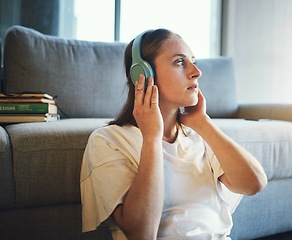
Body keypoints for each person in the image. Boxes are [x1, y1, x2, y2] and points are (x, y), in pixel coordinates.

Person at [80, 28, 267, 240]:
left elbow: (254, 183)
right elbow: (142, 234)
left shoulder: (199, 136)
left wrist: (202, 122)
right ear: (142, 74)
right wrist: (151, 138)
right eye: (180, 62)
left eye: (194, 61)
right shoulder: (108, 141)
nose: (197, 72)